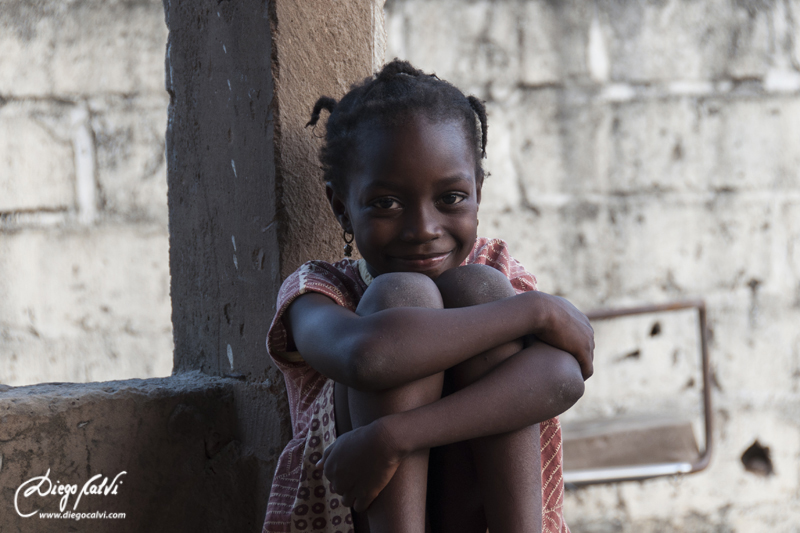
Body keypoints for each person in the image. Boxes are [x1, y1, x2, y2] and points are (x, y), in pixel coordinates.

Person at [262, 59, 594, 533]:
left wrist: (395, 436)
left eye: (451, 198)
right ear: (341, 208)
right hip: (361, 517)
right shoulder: (319, 292)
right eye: (386, 203)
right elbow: (367, 356)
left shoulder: (495, 271)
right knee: (402, 296)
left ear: (478, 192)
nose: (423, 229)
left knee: (478, 289)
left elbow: (563, 377)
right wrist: (535, 311)